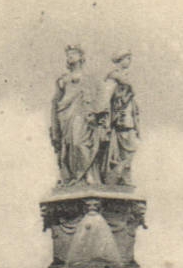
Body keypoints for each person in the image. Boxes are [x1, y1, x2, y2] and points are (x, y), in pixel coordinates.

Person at [50, 45, 98, 186]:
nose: (70, 56)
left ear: (81, 57)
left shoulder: (88, 78)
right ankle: (72, 177)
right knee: (69, 145)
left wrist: (93, 113)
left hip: (82, 115)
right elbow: (56, 101)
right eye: (68, 54)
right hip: (65, 115)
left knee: (79, 143)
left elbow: (94, 98)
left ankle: (83, 174)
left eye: (73, 54)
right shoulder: (63, 80)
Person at [97, 51, 140, 186]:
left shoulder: (124, 76)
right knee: (128, 147)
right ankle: (118, 176)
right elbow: (106, 97)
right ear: (120, 60)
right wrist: (104, 116)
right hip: (121, 118)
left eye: (129, 58)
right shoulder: (114, 76)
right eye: (127, 58)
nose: (129, 61)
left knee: (128, 149)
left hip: (129, 116)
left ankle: (122, 176)